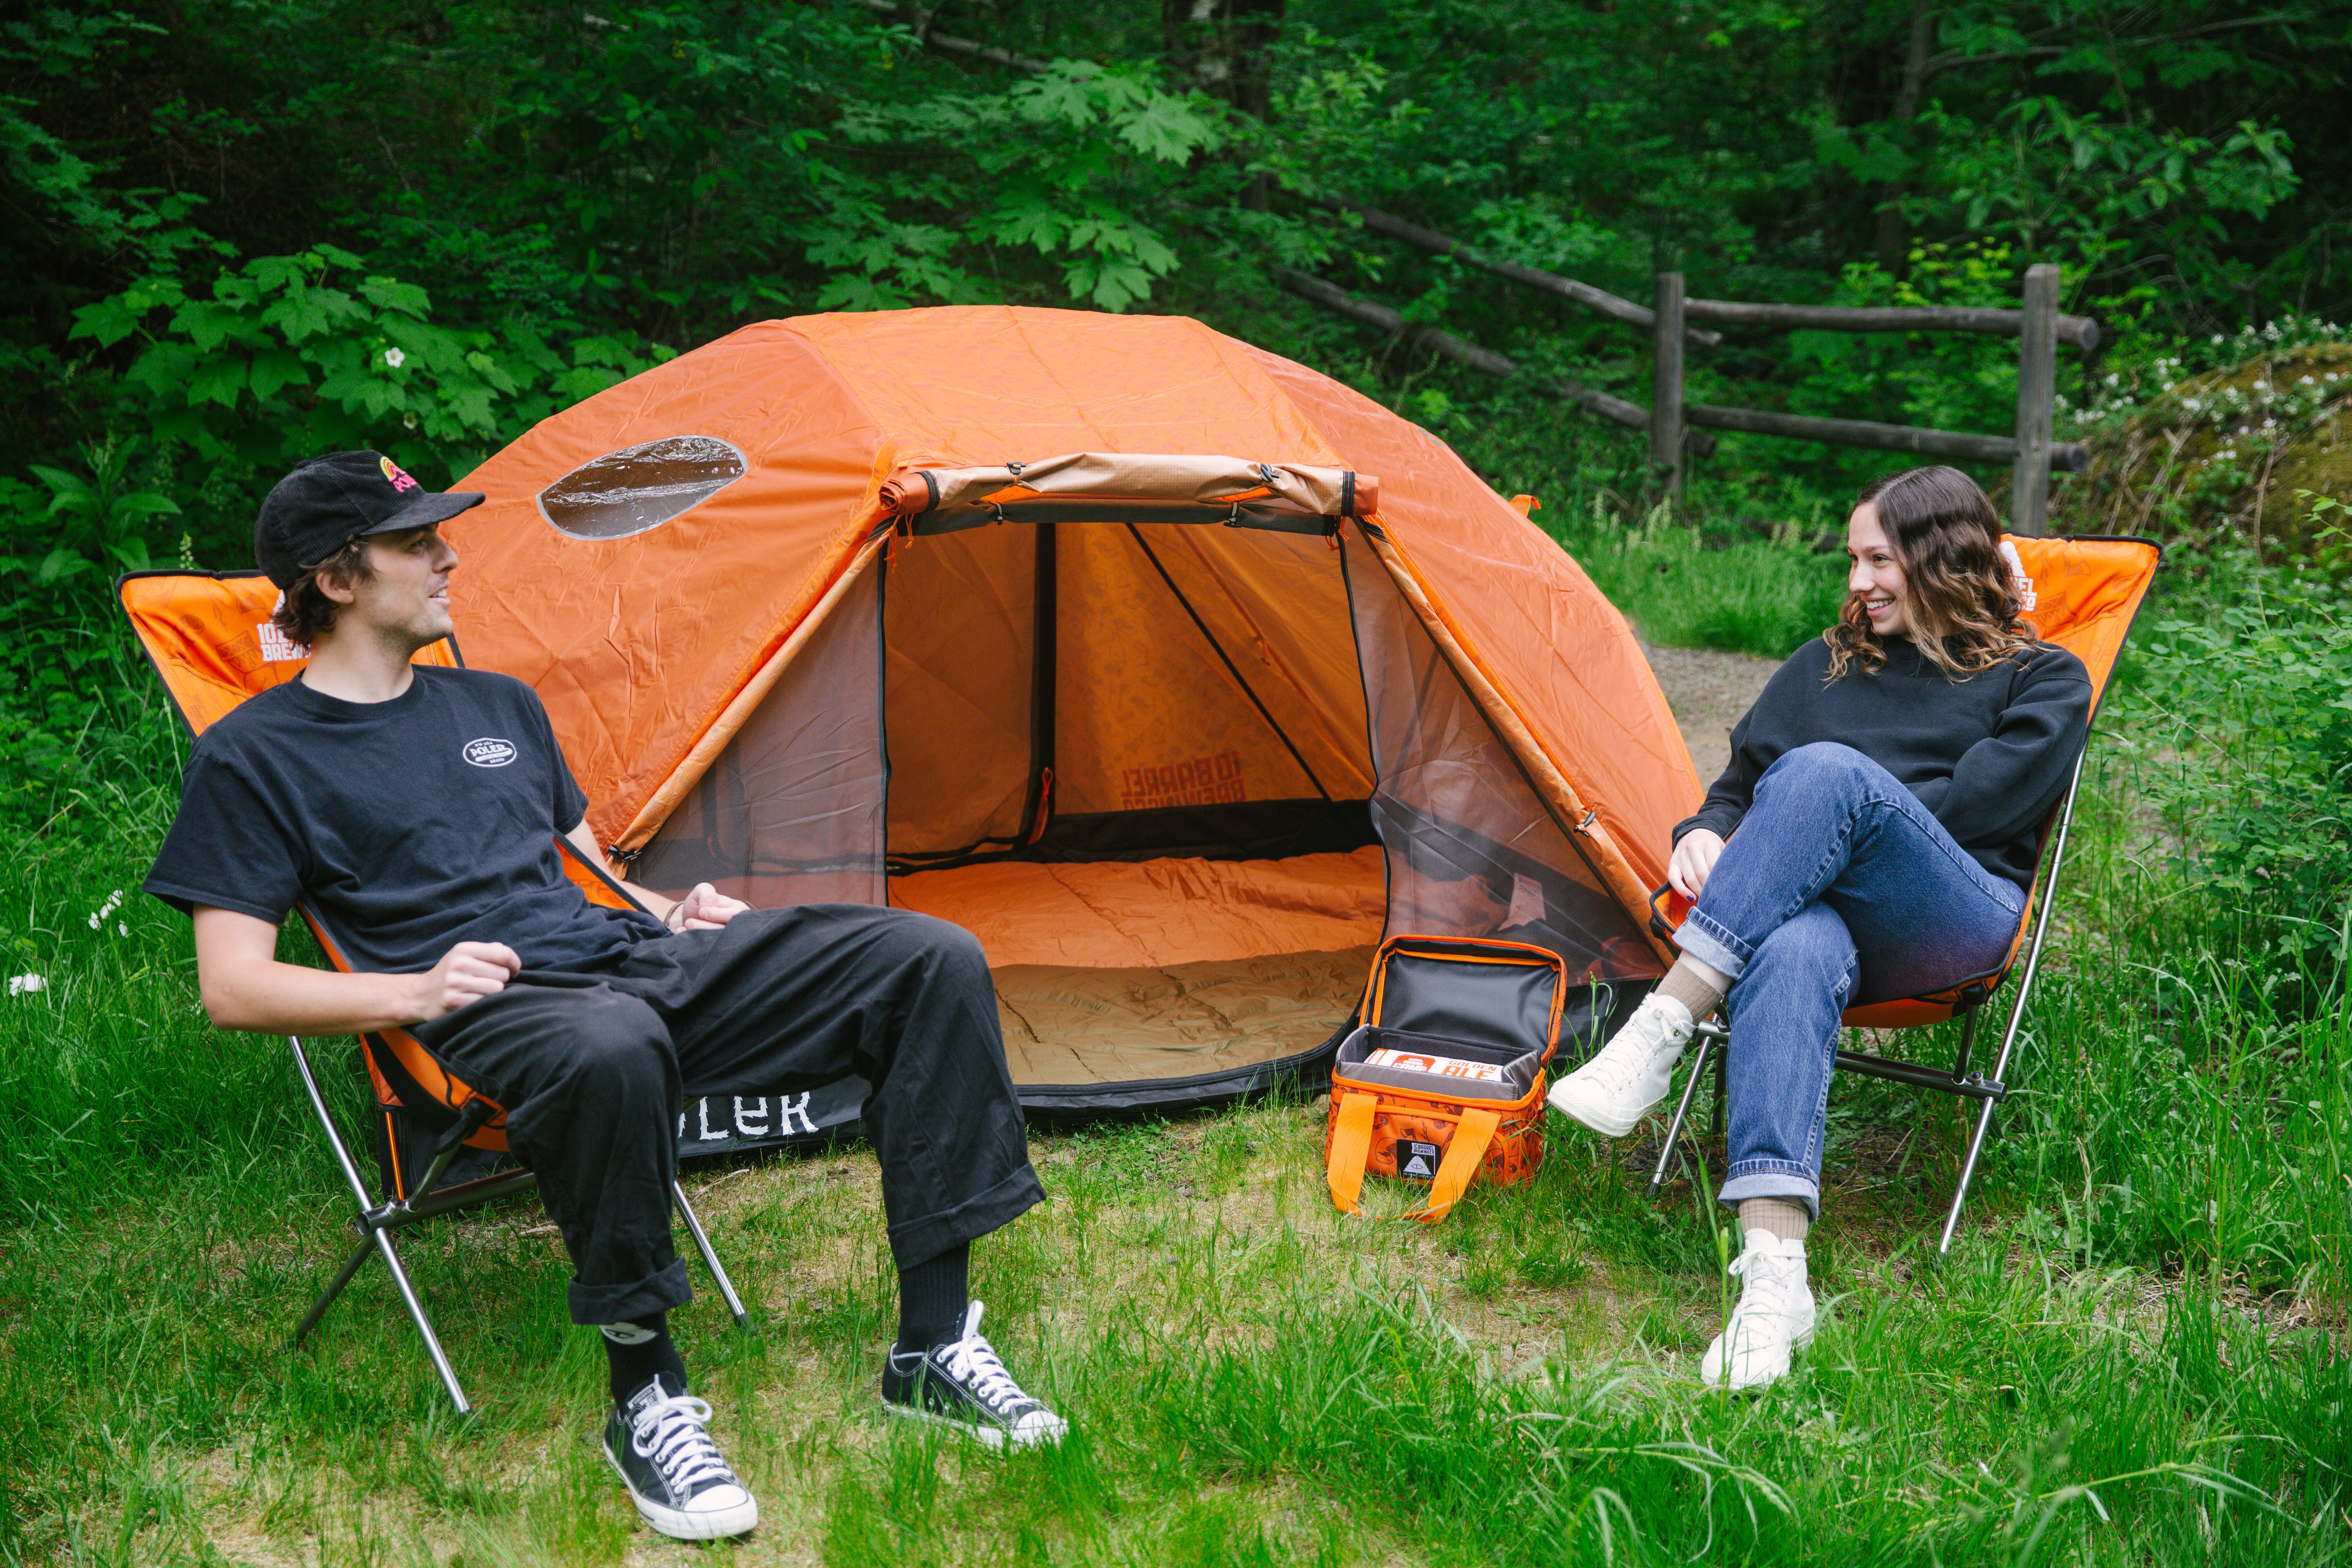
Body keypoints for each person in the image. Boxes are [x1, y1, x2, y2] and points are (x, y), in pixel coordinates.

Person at [143, 452, 1066, 1543]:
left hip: (627, 959)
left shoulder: (499, 705)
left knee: (927, 957)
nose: (449, 557)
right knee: (613, 1043)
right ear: (337, 580)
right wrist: (416, 988)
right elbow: (233, 986)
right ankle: (646, 1395)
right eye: (416, 543)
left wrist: (673, 911)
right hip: (490, 1006)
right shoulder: (253, 759)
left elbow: (591, 875)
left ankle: (933, 1345)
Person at [1546, 466, 2090, 1391]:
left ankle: (1664, 1022)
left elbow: (1984, 808)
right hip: (1820, 916)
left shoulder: (2043, 678)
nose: (1858, 582)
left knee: (1824, 776)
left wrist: (1828, 817)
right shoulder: (1826, 663)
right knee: (1796, 942)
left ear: (1941, 558)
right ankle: (1775, 1280)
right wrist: (1706, 833)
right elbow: (1737, 787)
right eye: (1853, 560)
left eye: (1880, 560)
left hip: (1950, 915)